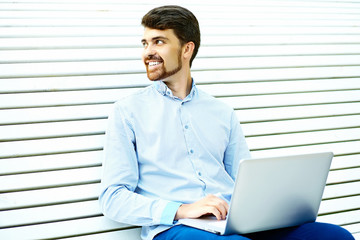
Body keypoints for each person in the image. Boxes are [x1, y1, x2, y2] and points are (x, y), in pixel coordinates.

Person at [99, 5, 354, 240]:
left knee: (335, 236)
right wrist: (183, 209)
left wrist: (277, 206)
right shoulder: (127, 111)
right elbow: (112, 198)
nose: (148, 52)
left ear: (187, 49)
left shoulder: (221, 112)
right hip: (176, 228)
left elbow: (246, 182)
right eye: (145, 43)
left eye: (159, 42)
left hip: (231, 222)